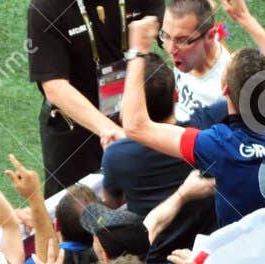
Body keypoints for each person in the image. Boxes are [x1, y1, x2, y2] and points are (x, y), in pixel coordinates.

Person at [121, 3, 265, 226]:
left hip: (243, 251)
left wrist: (137, 51)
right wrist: (245, 18)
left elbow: (134, 126)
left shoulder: (219, 144)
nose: (172, 48)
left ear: (224, 89)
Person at [27, 0, 163, 193]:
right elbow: (54, 86)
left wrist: (164, 31)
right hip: (76, 130)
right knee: (75, 210)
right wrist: (111, 131)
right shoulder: (46, 7)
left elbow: (159, 15)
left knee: (138, 199)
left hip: (129, 111)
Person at [99, 58, 217, 261]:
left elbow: (110, 206)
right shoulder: (207, 128)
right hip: (207, 253)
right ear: (176, 95)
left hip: (155, 262)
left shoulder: (116, 155)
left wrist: (115, 156)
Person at [163, 0, 233, 122]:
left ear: (210, 37)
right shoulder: (187, 56)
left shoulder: (224, 89)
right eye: (166, 36)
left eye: (182, 40)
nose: (170, 50)